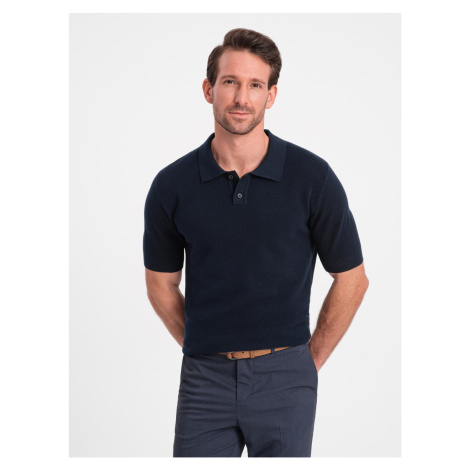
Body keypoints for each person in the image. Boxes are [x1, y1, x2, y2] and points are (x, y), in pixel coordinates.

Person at [143, 28, 369, 458]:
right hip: (204, 380)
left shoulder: (312, 178)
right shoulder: (172, 185)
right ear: (208, 89)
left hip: (287, 376)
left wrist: (307, 361)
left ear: (271, 95)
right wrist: (202, 342)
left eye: (255, 85)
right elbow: (161, 284)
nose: (241, 98)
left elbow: (353, 279)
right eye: (230, 82)